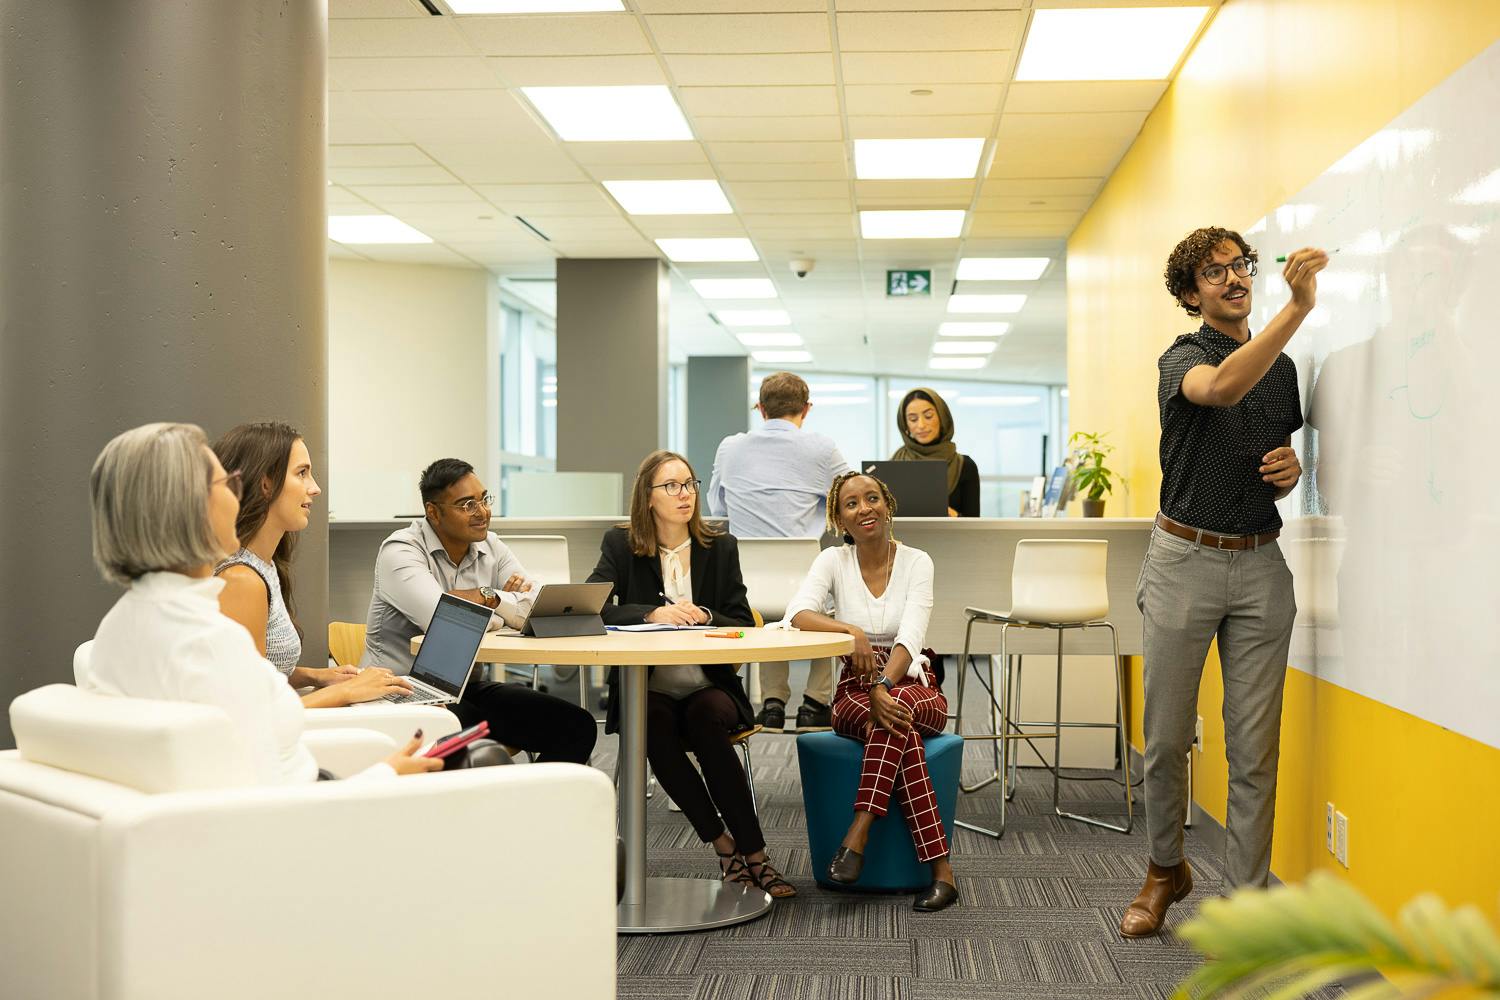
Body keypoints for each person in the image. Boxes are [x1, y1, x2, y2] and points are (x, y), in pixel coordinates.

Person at [1120, 228, 1325, 938]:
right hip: (1184, 560)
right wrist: (1297, 307)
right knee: (1169, 735)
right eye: (1215, 273)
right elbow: (1224, 386)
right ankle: (1164, 869)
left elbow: (1276, 455)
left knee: (1254, 746)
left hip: (1262, 564)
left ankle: (1244, 906)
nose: (1234, 279)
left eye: (1240, 265)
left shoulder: (1285, 368)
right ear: (1190, 294)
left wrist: (1291, 471)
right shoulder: (1184, 358)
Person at [80, 422, 441, 784]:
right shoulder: (210, 633)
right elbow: (266, 789)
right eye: (227, 485)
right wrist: (385, 773)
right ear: (189, 508)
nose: (237, 497)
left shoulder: (125, 622)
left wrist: (317, 677)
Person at [588, 450, 795, 899]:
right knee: (654, 726)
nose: (684, 495)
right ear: (648, 497)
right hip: (649, 686)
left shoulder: (719, 547)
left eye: (689, 484)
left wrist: (705, 614)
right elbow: (597, 605)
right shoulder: (620, 546)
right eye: (671, 486)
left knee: (705, 721)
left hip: (708, 684)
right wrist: (652, 612)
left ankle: (755, 855)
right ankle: (724, 845)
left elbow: (741, 618)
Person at [784, 471, 959, 912]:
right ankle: (941, 872)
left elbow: (911, 636)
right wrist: (851, 630)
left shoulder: (919, 561)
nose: (865, 508)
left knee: (895, 709)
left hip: (915, 683)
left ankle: (856, 834)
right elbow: (798, 614)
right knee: (900, 731)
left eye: (872, 498)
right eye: (852, 504)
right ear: (839, 519)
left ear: (888, 505)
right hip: (852, 691)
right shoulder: (832, 562)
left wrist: (884, 683)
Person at [359, 458, 597, 765]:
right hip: (404, 691)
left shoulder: (491, 547)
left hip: (465, 688)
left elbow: (536, 607)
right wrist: (501, 610)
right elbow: (444, 621)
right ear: (433, 512)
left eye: (484, 499)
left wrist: (490, 598)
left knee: (576, 726)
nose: (482, 512)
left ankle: (532, 810)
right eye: (467, 504)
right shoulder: (400, 551)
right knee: (474, 744)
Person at [212, 421, 404, 708]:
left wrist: (313, 676)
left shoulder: (264, 566)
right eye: (301, 473)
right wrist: (348, 692)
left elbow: (259, 672)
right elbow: (249, 712)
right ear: (266, 483)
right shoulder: (241, 579)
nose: (315, 488)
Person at [706, 370, 850, 732]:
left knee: (771, 611)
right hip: (805, 591)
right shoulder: (821, 448)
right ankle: (815, 703)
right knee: (840, 603)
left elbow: (717, 509)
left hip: (746, 589)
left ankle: (772, 704)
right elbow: (853, 498)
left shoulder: (730, 447)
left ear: (760, 408)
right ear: (806, 409)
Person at [891, 387, 980, 517]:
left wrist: (954, 515)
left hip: (950, 537)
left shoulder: (965, 466)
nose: (921, 425)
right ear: (905, 425)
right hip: (903, 537)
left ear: (942, 417)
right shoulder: (895, 464)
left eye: (928, 416)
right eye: (913, 419)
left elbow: (974, 525)